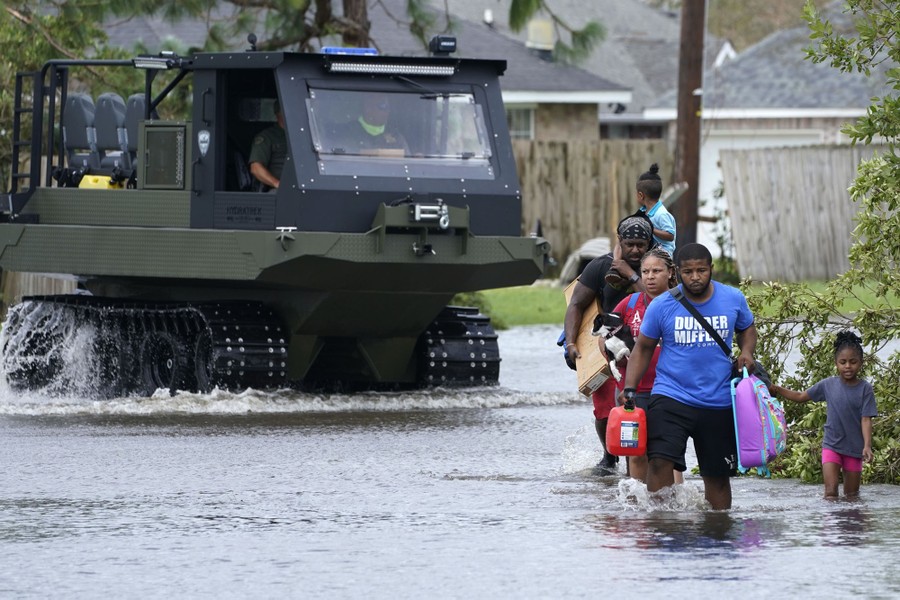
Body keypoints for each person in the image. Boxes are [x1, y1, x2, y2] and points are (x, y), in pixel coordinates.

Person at [619, 243, 759, 509]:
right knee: (659, 462)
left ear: (711, 269)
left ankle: (718, 531)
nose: (695, 277)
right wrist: (629, 388)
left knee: (717, 477)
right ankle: (662, 525)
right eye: (688, 271)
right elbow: (644, 348)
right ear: (676, 272)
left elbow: (747, 328)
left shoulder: (733, 298)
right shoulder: (662, 305)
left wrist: (747, 352)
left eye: (701, 270)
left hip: (717, 401)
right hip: (671, 396)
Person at [564, 214, 653, 475]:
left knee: (638, 407)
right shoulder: (601, 266)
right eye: (630, 244)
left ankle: (637, 462)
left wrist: (631, 274)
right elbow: (577, 305)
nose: (636, 250)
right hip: (608, 348)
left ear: (649, 243)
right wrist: (571, 343)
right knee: (604, 411)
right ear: (620, 241)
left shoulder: (657, 268)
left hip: (647, 347)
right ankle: (609, 456)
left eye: (641, 244)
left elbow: (658, 301)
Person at [770, 331, 876, 499]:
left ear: (861, 363)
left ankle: (851, 525)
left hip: (854, 449)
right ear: (836, 364)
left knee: (852, 497)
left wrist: (867, 446)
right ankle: (830, 525)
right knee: (830, 493)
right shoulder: (828, 385)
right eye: (843, 362)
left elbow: (866, 419)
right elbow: (800, 397)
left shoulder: (865, 389)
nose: (847, 366)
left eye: (853, 362)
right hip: (831, 446)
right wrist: (777, 389)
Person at [609, 247, 682, 485]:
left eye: (656, 271)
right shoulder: (629, 304)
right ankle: (637, 509)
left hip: (671, 391)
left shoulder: (683, 305)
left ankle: (673, 512)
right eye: (645, 271)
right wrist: (612, 350)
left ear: (671, 273)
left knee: (668, 456)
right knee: (636, 452)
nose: (650, 276)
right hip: (634, 393)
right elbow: (603, 337)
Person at [606, 163, 677, 287]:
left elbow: (670, 235)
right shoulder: (645, 211)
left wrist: (652, 230)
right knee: (622, 240)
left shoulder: (661, 214)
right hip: (651, 246)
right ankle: (616, 266)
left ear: (640, 195)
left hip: (662, 251)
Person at [335, 93, 408, 154]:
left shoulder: (396, 137)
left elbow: (407, 164)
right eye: (382, 106)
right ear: (368, 108)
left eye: (387, 106)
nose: (387, 110)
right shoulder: (348, 133)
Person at [249, 100, 287, 191]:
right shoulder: (267, 137)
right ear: (278, 114)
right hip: (280, 191)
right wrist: (277, 184)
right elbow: (255, 168)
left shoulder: (303, 135)